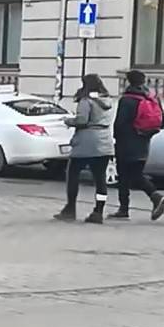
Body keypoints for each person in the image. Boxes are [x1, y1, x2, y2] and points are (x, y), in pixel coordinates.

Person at [56, 73, 115, 224]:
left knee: (73, 174)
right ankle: (99, 211)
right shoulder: (107, 100)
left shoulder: (86, 100)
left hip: (86, 142)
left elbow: (82, 120)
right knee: (100, 179)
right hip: (104, 141)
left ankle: (70, 208)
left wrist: (68, 121)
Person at [111, 69, 164, 221]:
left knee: (125, 176)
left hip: (126, 143)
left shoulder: (127, 99)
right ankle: (127, 207)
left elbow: (120, 123)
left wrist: (115, 138)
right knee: (136, 173)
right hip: (144, 142)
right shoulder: (152, 98)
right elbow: (162, 122)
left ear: (129, 81)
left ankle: (152, 197)